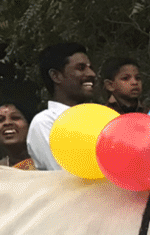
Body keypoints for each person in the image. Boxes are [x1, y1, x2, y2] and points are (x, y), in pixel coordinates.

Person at [28, 42, 96, 171]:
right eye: (81, 68)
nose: (92, 74)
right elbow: (66, 175)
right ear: (56, 76)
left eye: (91, 67)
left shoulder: (98, 118)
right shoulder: (45, 123)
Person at [0, 103, 37, 170]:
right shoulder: (2, 169)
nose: (7, 123)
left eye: (15, 118)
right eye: (0, 120)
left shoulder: (49, 162)